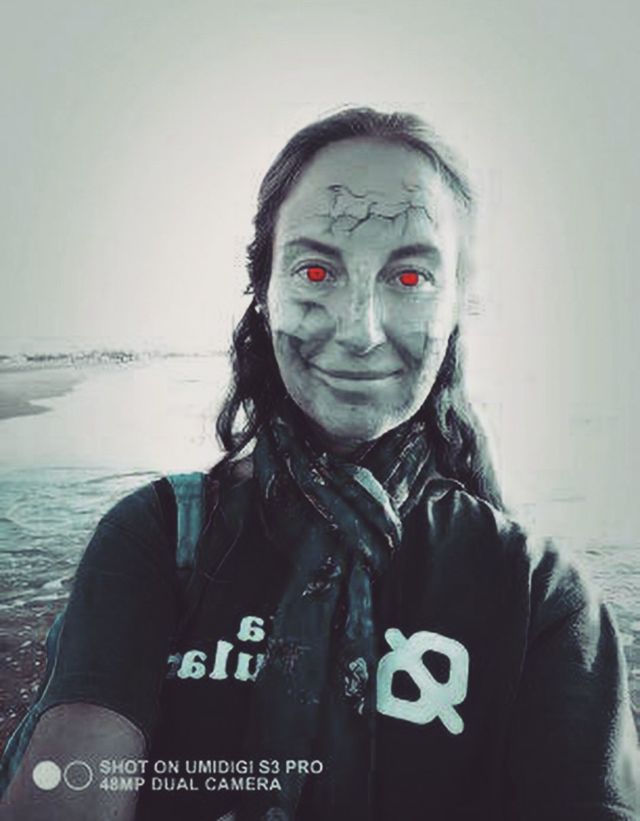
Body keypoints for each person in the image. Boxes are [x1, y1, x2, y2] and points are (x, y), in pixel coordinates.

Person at [0, 107, 638, 821]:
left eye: (410, 277)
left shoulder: (540, 593)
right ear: (263, 289)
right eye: (314, 270)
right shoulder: (155, 537)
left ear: (459, 302)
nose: (360, 331)